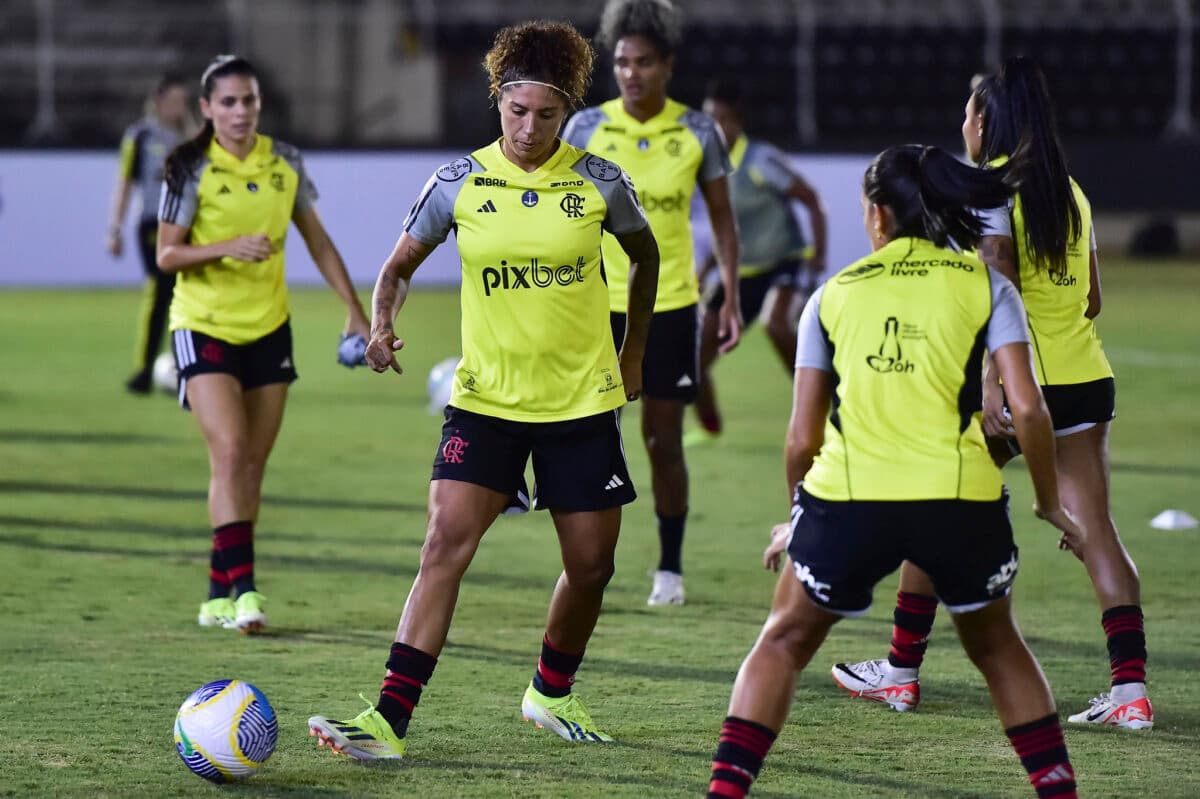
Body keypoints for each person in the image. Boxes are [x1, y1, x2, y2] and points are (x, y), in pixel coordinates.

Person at [307, 21, 659, 759]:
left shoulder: (597, 182)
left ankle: (550, 691)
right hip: (485, 402)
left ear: (567, 113)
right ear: (497, 100)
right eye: (516, 111)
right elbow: (398, 267)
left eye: (547, 115)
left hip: (581, 404)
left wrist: (633, 356)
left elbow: (645, 255)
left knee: (593, 565)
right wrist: (380, 324)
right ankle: (387, 719)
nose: (530, 128)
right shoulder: (457, 183)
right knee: (444, 543)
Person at [705, 144, 1085, 799]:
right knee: (998, 648)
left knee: (783, 640)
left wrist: (798, 517)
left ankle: (725, 790)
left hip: (849, 497)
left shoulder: (830, 295)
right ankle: (1058, 789)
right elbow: (1028, 407)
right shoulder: (987, 285)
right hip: (958, 496)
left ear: (877, 215)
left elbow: (800, 438)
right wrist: (1051, 502)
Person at [832, 56, 1152, 731]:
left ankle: (899, 671)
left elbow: (995, 275)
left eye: (969, 111)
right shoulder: (1072, 192)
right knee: (1097, 529)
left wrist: (993, 380)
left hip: (1016, 386)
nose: (961, 122)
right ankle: (1130, 689)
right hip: (1086, 379)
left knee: (932, 507)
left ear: (987, 121)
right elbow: (1092, 298)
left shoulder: (989, 192)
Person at [157, 55, 370, 633]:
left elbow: (319, 243)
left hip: (269, 328)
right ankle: (246, 592)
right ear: (206, 109)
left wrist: (355, 310)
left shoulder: (286, 162)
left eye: (248, 100)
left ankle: (215, 591)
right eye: (227, 102)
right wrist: (226, 246)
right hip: (202, 324)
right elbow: (167, 254)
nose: (240, 111)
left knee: (249, 465)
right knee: (228, 452)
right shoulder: (189, 166)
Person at [562, 0, 741, 607]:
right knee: (592, 435)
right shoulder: (585, 129)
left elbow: (721, 219)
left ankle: (669, 566)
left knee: (663, 440)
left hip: (671, 306)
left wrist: (733, 298)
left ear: (667, 64)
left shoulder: (697, 131)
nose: (631, 73)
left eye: (643, 62)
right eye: (621, 62)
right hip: (595, 306)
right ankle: (591, 564)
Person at [688, 77, 828, 443]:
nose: (713, 128)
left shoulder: (760, 159)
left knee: (776, 325)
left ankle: (822, 408)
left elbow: (811, 199)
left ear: (736, 123)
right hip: (740, 272)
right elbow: (723, 229)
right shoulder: (707, 166)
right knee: (694, 356)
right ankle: (709, 425)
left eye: (720, 119)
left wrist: (818, 255)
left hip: (782, 261)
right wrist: (703, 271)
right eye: (708, 119)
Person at [106, 73, 192, 394]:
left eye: (183, 102)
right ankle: (146, 367)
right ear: (157, 101)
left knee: (183, 295)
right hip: (153, 225)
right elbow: (125, 183)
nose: (178, 108)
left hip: (188, 226)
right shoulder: (140, 135)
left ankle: (184, 364)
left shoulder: (193, 137)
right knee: (160, 292)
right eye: (173, 101)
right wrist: (115, 228)